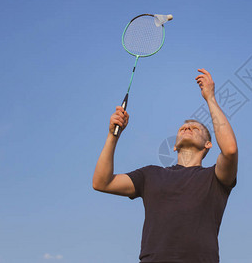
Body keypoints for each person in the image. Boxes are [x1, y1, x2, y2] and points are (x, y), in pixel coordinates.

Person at [93, 68, 238, 263]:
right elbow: (102, 183)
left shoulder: (216, 177)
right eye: (182, 127)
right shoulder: (150, 175)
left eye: (195, 128)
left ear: (208, 144)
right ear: (174, 146)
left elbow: (229, 150)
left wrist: (210, 98)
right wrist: (113, 135)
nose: (187, 127)